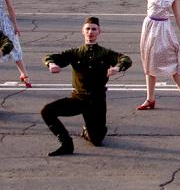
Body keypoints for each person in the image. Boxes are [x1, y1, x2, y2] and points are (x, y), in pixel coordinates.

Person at [41, 17, 132, 156]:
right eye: (87, 29)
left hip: (97, 101)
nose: (90, 32)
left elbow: (125, 59)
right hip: (78, 99)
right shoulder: (75, 52)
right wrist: (51, 64)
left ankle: (88, 130)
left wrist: (117, 68)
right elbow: (49, 57)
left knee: (96, 140)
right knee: (47, 111)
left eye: (94, 29)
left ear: (99, 32)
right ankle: (66, 144)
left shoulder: (105, 53)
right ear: (82, 31)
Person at [0, 0, 31, 87]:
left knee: (13, 45)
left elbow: (10, 7)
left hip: (2, 22)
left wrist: (15, 25)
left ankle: (24, 73)